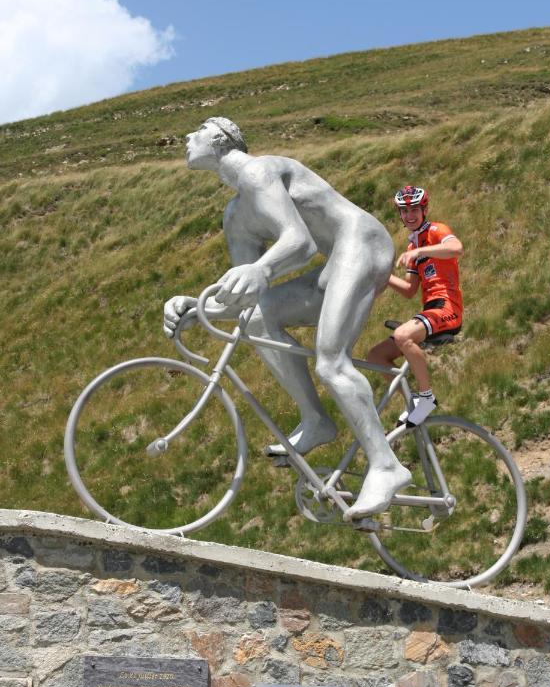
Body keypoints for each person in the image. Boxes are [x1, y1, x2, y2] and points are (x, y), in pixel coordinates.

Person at [163, 117, 412, 520]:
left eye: (199, 129)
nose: (187, 136)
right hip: (334, 263)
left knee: (331, 363)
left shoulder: (258, 170)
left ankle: (386, 466)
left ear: (222, 138)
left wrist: (260, 270)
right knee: (258, 319)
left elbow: (300, 242)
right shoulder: (235, 215)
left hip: (361, 243)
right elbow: (246, 298)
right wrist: (196, 309)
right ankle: (315, 419)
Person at [367, 185, 464, 426]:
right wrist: (383, 276)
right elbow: (410, 290)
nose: (409, 215)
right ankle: (412, 401)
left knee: (402, 334)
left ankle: (427, 398)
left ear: (424, 209)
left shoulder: (436, 231)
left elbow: (456, 248)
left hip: (447, 308)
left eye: (414, 210)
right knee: (375, 356)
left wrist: (420, 250)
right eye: (404, 211)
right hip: (429, 310)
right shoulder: (412, 247)